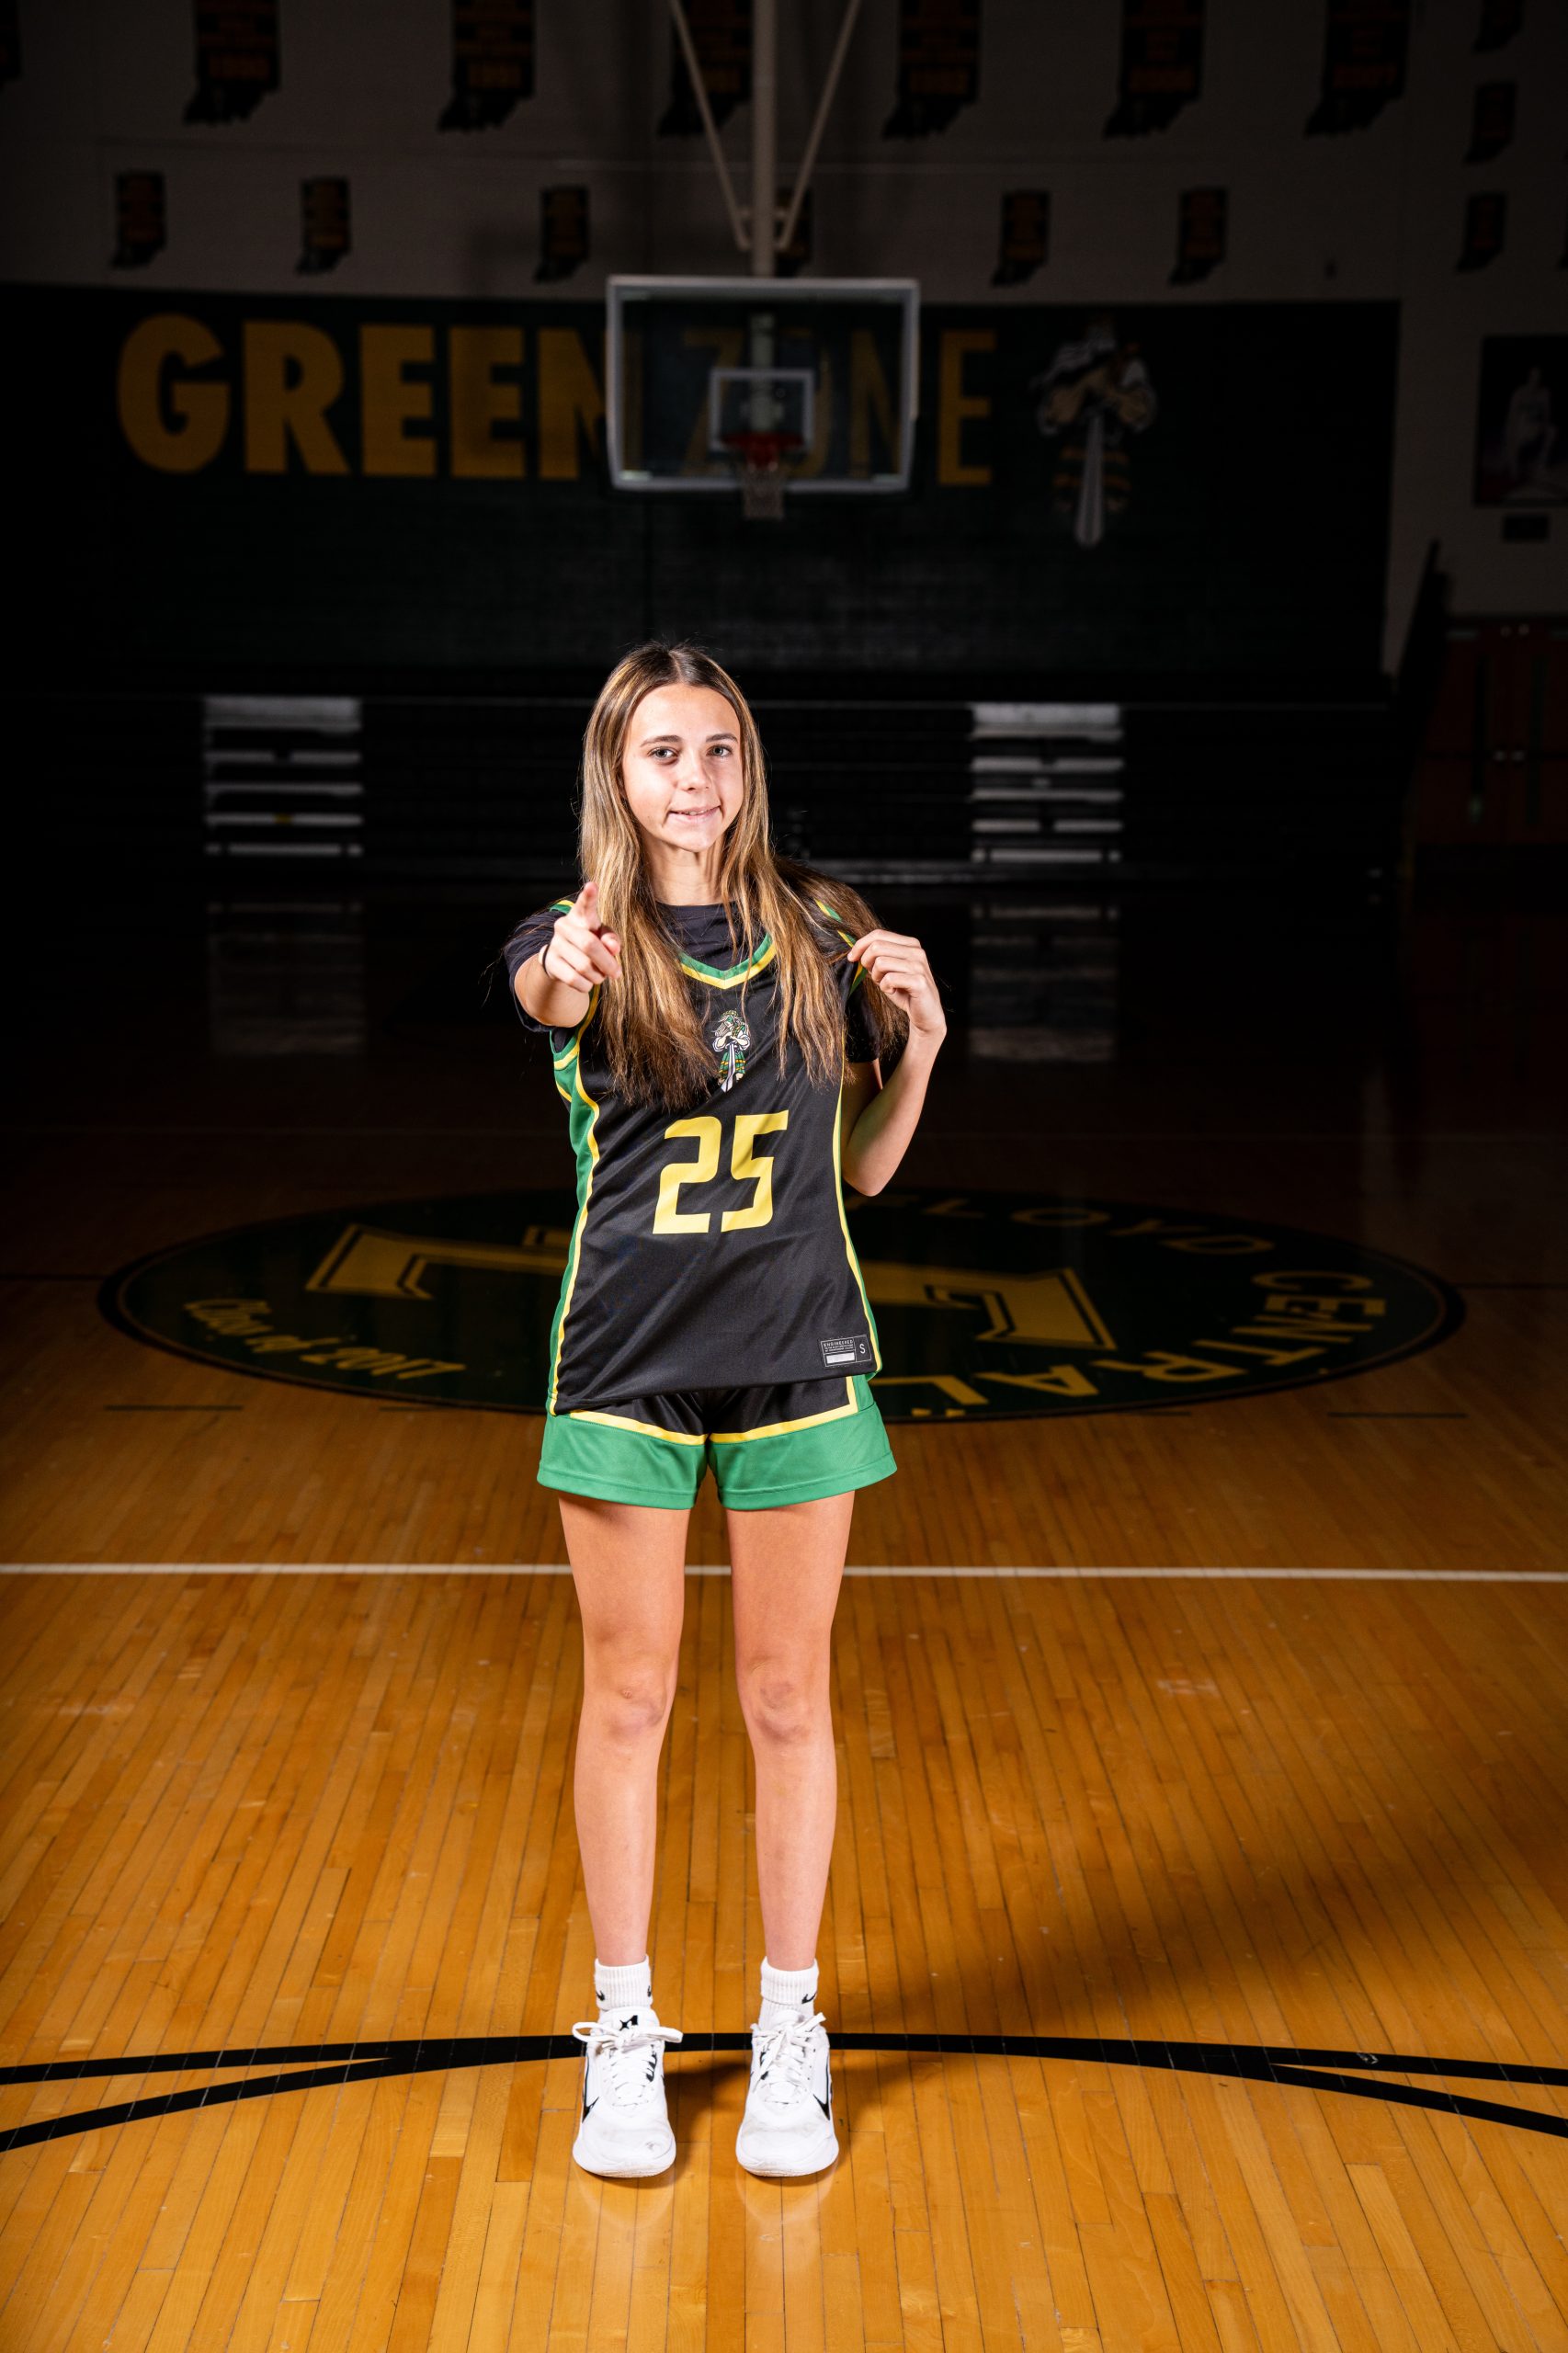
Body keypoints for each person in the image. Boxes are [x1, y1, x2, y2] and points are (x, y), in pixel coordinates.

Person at [502, 642, 946, 2182]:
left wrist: (923, 1049)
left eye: (717, 750)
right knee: (628, 1698)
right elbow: (545, 990)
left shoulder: (825, 932)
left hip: (794, 1350)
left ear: (747, 766)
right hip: (627, 1356)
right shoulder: (579, 938)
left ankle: (787, 2029)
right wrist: (568, 960)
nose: (694, 780)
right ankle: (623, 2032)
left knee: (784, 1699)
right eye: (661, 753)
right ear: (614, 775)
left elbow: (864, 1170)